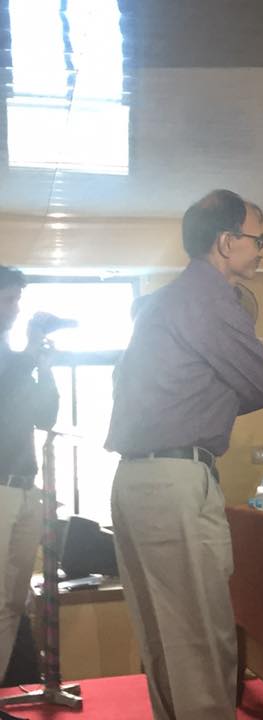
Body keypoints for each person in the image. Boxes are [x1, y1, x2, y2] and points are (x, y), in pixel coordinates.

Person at [105, 190, 263, 720]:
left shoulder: (168, 301)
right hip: (174, 482)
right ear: (226, 242)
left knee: (164, 634)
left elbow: (228, 393)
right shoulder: (211, 301)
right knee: (201, 635)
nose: (262, 249)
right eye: (257, 238)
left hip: (139, 480)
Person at [0, 266, 59, 684]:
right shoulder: (10, 360)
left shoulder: (15, 356)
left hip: (25, 488)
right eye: (8, 299)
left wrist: (45, 365)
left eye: (18, 300)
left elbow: (45, 416)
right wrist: (29, 352)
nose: (16, 309)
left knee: (11, 603)